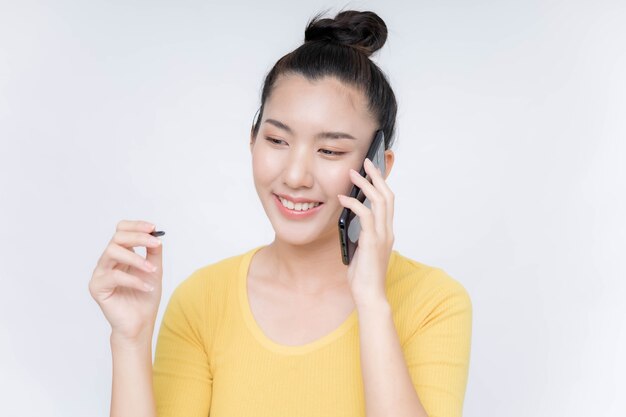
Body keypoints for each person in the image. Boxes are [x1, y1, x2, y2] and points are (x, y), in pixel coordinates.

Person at [89, 9, 472, 417]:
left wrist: (372, 303)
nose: (295, 175)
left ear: (378, 166)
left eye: (330, 150)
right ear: (252, 140)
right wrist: (129, 341)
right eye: (276, 139)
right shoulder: (201, 302)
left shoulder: (434, 303)